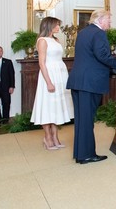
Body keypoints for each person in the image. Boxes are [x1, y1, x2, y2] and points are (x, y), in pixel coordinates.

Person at [67, 9, 116, 164]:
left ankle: (81, 154)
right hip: (89, 83)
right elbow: (102, 56)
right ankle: (86, 155)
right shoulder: (99, 34)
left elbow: (91, 57)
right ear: (100, 19)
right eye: (109, 19)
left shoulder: (83, 33)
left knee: (81, 119)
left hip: (78, 81)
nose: (110, 23)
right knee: (86, 120)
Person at [30, 16, 74, 150]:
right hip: (48, 75)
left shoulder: (56, 40)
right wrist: (48, 82)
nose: (58, 27)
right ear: (49, 25)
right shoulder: (42, 41)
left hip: (60, 74)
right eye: (56, 25)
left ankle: (55, 136)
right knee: (47, 106)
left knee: (57, 106)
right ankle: (47, 137)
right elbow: (41, 63)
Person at [0, 45, 15, 123]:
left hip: (6, 87)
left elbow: (12, 74)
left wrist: (12, 86)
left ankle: (5, 120)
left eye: (1, 51)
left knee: (6, 103)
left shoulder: (8, 62)